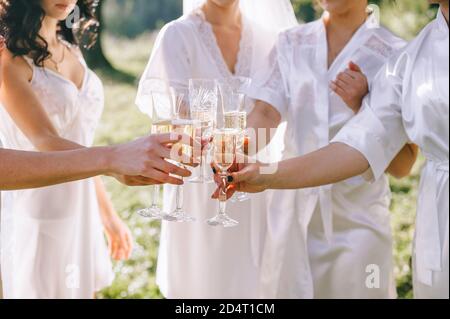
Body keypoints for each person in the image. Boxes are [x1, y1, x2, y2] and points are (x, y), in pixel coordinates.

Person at [217, 0, 449, 299]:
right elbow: (266, 116)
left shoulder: (394, 51)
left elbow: (401, 165)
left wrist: (360, 106)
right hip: (294, 211)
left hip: (358, 218)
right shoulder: (293, 44)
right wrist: (242, 156)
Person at [0, 0, 190, 299]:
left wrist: (107, 214)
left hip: (81, 201)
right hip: (41, 208)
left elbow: (82, 149)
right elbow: (47, 141)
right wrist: (117, 158)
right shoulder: (9, 59)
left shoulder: (70, 46)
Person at [136, 0, 297, 298]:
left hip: (253, 178)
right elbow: (180, 117)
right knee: (203, 284)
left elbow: (272, 113)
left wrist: (241, 158)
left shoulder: (270, 37)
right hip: (198, 184)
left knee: (254, 283)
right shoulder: (177, 35)